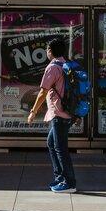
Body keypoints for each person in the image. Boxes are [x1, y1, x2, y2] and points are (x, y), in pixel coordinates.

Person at [26, 38, 78, 194]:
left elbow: (43, 91)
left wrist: (33, 112)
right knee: (51, 143)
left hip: (59, 113)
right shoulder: (68, 65)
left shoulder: (53, 67)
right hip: (69, 112)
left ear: (49, 51)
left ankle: (69, 183)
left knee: (60, 148)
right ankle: (60, 176)